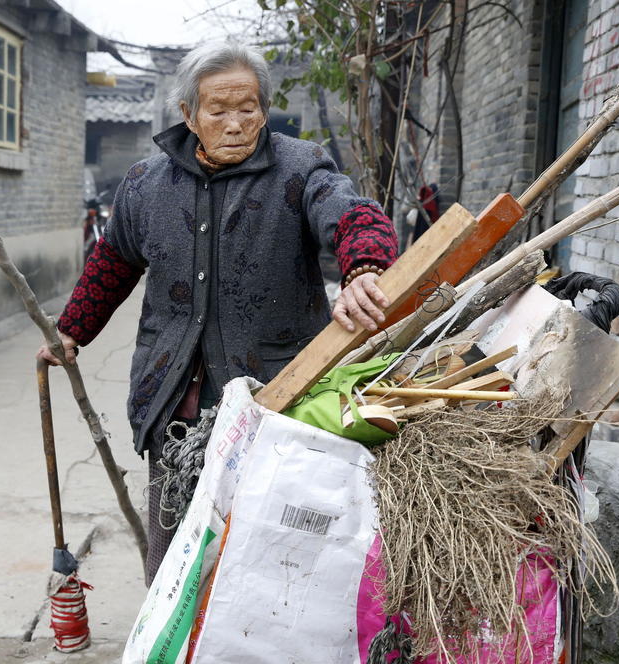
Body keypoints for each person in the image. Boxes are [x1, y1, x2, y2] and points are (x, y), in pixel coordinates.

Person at [38, 42, 399, 584]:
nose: (235, 124)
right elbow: (113, 261)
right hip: (173, 397)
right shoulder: (146, 184)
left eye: (248, 108)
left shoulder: (300, 168)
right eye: (219, 110)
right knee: (174, 556)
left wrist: (364, 267)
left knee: (266, 554)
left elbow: (352, 214)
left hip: (277, 396)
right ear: (189, 114)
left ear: (264, 107)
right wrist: (70, 332)